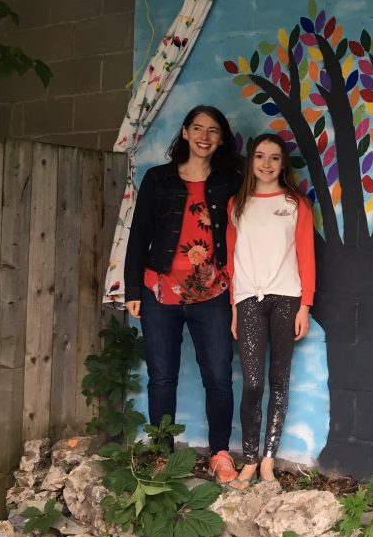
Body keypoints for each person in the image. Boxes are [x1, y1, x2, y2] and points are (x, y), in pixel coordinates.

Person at [124, 105, 244, 483]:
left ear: (221, 138)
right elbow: (139, 235)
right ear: (186, 132)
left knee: (219, 376)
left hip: (214, 293)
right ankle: (162, 453)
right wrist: (132, 288)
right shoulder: (157, 179)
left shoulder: (231, 180)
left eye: (213, 130)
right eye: (198, 128)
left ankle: (220, 452)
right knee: (162, 377)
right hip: (160, 291)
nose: (204, 136)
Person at [225, 133, 316, 489]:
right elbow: (232, 262)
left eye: (274, 158)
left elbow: (306, 257)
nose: (266, 164)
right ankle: (248, 459)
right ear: (250, 161)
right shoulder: (237, 205)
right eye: (259, 156)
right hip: (248, 301)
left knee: (279, 381)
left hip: (286, 300)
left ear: (283, 164)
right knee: (252, 382)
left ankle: (267, 461)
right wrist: (234, 308)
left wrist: (304, 306)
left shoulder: (296, 205)